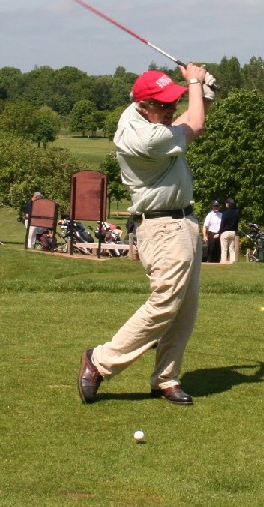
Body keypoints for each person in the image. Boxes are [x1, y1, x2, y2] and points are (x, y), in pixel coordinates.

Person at [77, 63, 216, 406]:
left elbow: (189, 118)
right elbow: (195, 124)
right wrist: (195, 82)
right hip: (163, 227)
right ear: (144, 106)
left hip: (183, 222)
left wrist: (204, 92)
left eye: (173, 101)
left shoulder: (140, 115)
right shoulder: (146, 139)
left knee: (184, 309)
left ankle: (166, 378)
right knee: (165, 302)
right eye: (164, 104)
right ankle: (99, 361)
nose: (171, 109)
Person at [219, 197, 240, 263]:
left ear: (228, 204)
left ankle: (223, 261)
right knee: (232, 249)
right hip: (233, 232)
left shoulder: (225, 213)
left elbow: (222, 223)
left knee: (224, 249)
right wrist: (236, 231)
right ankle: (232, 262)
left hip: (225, 232)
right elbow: (237, 223)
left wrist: (220, 232)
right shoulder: (236, 213)